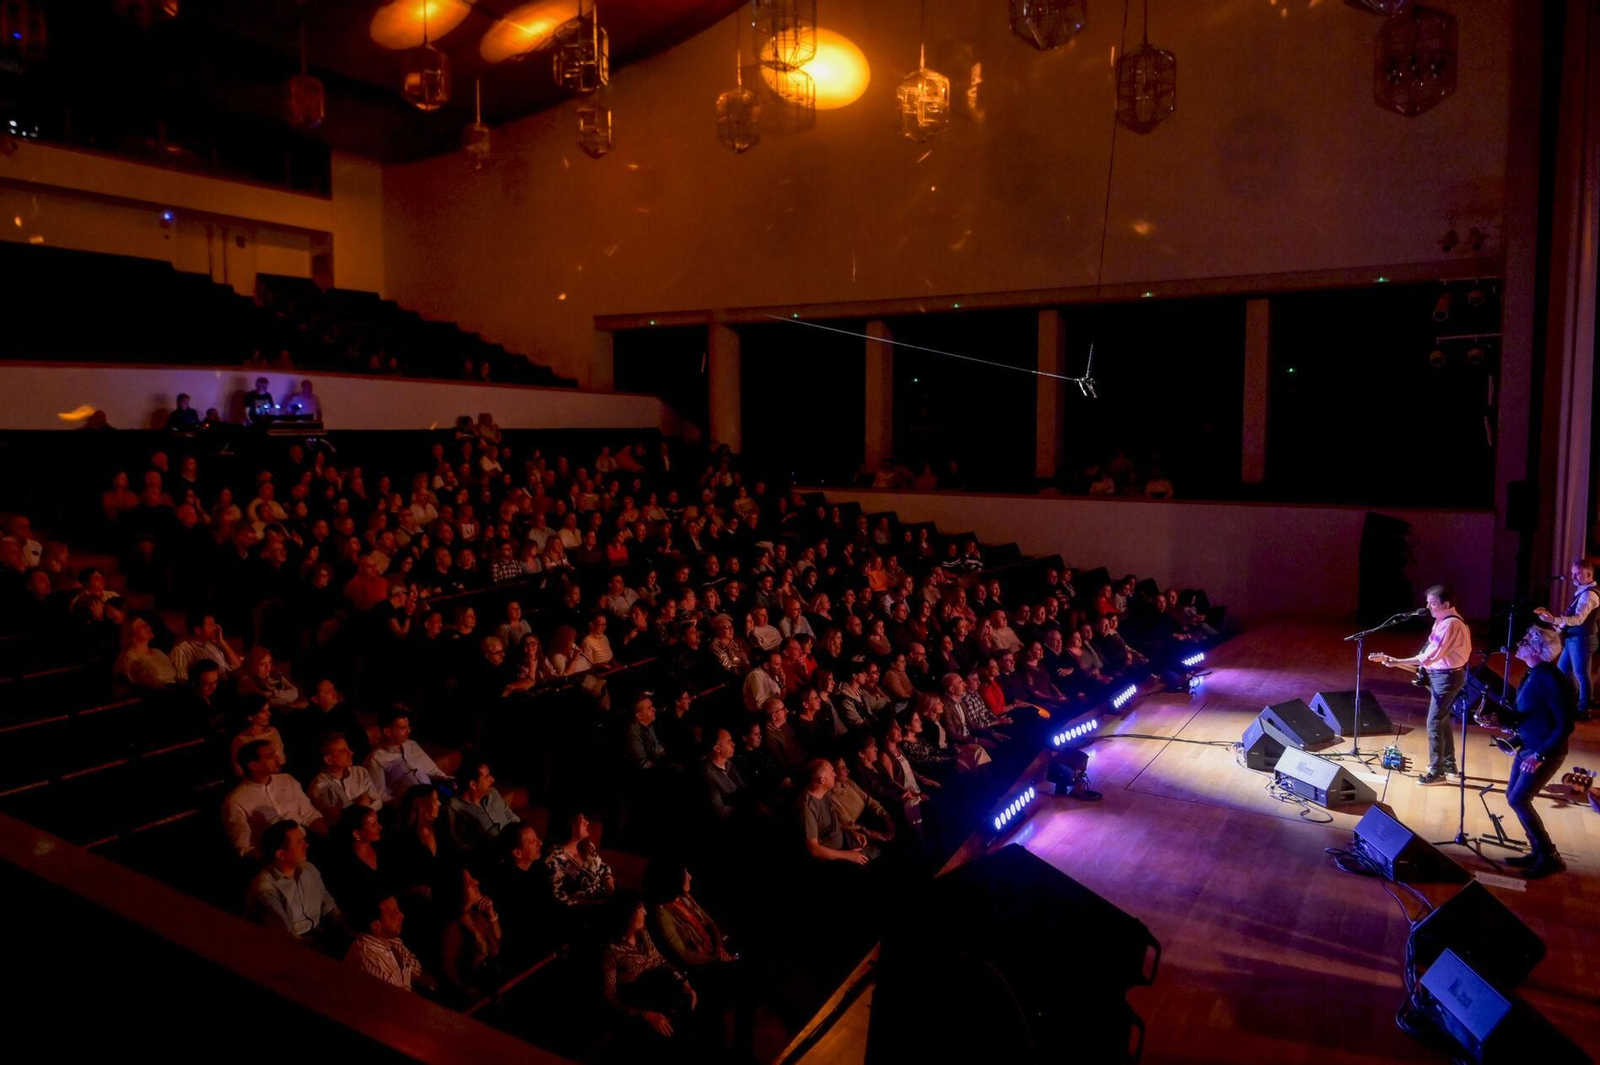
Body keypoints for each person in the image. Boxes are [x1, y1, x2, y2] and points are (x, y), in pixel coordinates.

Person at [1500, 626, 1578, 879]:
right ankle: (1538, 852)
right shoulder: (1533, 673)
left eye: (1524, 641)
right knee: (1513, 796)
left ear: (1536, 649)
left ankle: (1549, 856)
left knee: (1519, 799)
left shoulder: (1550, 678)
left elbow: (1565, 724)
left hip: (1545, 751)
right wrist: (1507, 726)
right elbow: (1531, 714)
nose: (1518, 644)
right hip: (1528, 746)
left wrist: (1540, 755)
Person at [1372, 584, 1471, 785]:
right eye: (1428, 603)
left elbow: (1431, 657)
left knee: (1434, 721)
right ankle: (1448, 765)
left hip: (1447, 678)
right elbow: (1428, 662)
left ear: (1446, 604)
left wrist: (1398, 661)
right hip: (1441, 675)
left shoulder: (1451, 624)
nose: (1429, 607)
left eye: (1433, 604)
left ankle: (1437, 772)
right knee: (1441, 720)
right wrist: (1395, 662)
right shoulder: (1442, 622)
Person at [602, 889, 699, 1045]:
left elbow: (660, 961)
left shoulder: (642, 933)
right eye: (641, 909)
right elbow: (609, 999)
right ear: (628, 916)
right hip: (639, 1007)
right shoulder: (611, 951)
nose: (646, 913)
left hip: (660, 994)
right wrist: (647, 1015)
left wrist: (684, 982)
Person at [223, 739, 326, 860]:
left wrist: (331, 837)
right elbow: (244, 846)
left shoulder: (287, 780)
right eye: (270, 756)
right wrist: (275, 861)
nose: (278, 759)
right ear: (253, 765)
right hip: (274, 859)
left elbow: (309, 816)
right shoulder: (236, 801)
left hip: (304, 845)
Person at [244, 820, 343, 945]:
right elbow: (285, 934)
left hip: (317, 933)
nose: (306, 845)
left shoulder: (308, 869)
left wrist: (343, 927)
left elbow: (327, 904)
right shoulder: (265, 889)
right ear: (281, 854)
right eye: (299, 842)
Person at [1535, 559, 1598, 716]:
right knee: (1563, 670)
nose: (1573, 578)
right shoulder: (1583, 592)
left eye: (1577, 574)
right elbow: (1572, 617)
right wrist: (1556, 623)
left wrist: (1554, 620)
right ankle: (1572, 700)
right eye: (1572, 574)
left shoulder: (1589, 595)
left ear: (1589, 574)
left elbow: (1578, 619)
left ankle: (1584, 708)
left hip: (1582, 639)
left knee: (1581, 674)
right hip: (1574, 638)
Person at [434, 864, 504, 998]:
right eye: (470, 882)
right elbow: (449, 975)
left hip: (492, 985)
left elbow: (497, 946)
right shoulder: (451, 929)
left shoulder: (475, 915)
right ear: (458, 890)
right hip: (475, 996)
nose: (476, 882)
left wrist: (491, 914)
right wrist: (475, 994)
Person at [344, 894, 431, 992]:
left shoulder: (388, 939)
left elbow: (417, 970)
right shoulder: (372, 959)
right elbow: (399, 999)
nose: (401, 916)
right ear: (376, 926)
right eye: (394, 913)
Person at [364, 708, 451, 803]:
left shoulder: (412, 745)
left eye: (408, 726)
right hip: (410, 806)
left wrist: (449, 782)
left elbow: (434, 772)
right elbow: (379, 795)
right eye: (403, 728)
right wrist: (404, 803)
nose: (409, 731)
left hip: (434, 797)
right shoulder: (376, 759)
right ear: (387, 732)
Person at [799, 758, 870, 865]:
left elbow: (831, 823)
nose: (835, 775)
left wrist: (851, 832)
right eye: (832, 772)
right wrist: (848, 855)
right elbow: (814, 849)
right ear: (822, 780)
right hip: (830, 859)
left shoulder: (824, 794)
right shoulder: (808, 807)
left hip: (842, 845)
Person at [544, 809, 616, 907]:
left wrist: (610, 885)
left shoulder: (587, 846)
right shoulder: (554, 858)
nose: (587, 822)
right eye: (581, 821)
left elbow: (603, 867)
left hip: (605, 900)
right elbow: (559, 897)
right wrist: (596, 904)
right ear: (570, 826)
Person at [445, 761, 521, 852]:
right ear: (473, 784)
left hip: (514, 840)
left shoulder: (492, 792)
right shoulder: (454, 807)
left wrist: (521, 830)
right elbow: (460, 843)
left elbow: (508, 813)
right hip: (493, 852)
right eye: (487, 776)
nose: (492, 779)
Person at [308, 733, 384, 822]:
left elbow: (378, 803)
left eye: (348, 749)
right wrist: (359, 806)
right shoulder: (319, 786)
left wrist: (349, 809)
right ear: (329, 760)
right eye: (343, 751)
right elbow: (335, 819)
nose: (351, 753)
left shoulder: (360, 772)